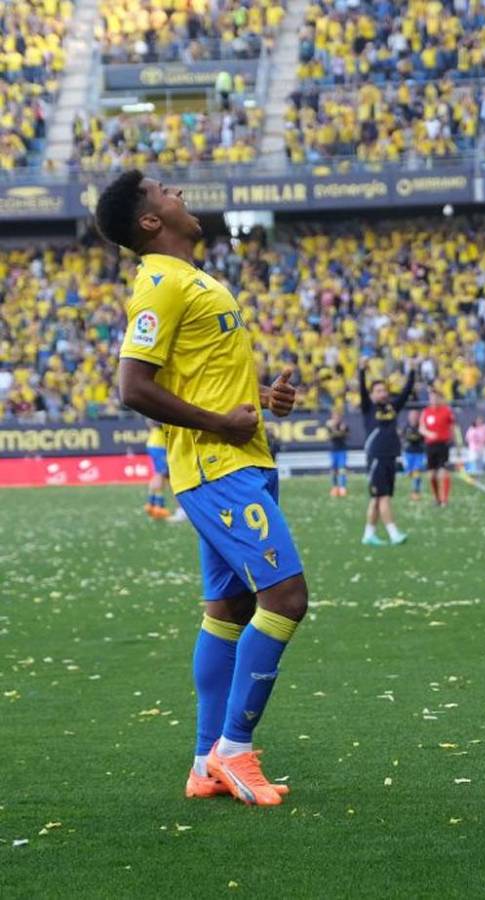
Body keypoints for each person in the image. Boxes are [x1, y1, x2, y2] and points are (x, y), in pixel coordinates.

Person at [97, 170, 307, 808]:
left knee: (229, 611)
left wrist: (260, 399)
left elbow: (200, 378)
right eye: (165, 191)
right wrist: (220, 422)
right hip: (218, 468)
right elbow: (132, 387)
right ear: (150, 222)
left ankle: (203, 761)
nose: (179, 193)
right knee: (286, 597)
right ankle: (235, 751)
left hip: (238, 459)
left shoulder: (195, 280)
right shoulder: (159, 283)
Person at [358, 360, 413, 546]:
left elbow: (406, 393)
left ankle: (368, 534)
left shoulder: (391, 408)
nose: (383, 393)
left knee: (377, 497)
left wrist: (412, 370)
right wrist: (361, 371)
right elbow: (362, 391)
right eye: (378, 391)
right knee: (383, 497)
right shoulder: (368, 408)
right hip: (377, 457)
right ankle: (393, 533)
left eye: (384, 390)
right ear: (372, 395)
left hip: (390, 456)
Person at [421, 389, 456, 506]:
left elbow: (453, 427)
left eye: (436, 397)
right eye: (431, 398)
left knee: (443, 472)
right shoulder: (426, 412)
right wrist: (428, 434)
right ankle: (437, 498)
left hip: (443, 445)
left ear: (440, 398)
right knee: (431, 475)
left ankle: (444, 500)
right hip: (430, 446)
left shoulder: (446, 411)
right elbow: (422, 428)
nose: (434, 400)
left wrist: (455, 442)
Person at [401, 409, 427, 501]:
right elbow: (402, 437)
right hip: (408, 453)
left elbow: (424, 437)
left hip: (419, 453)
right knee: (409, 472)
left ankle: (416, 491)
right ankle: (416, 487)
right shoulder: (406, 427)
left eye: (415, 416)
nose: (413, 418)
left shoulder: (422, 426)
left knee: (417, 471)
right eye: (412, 416)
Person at [328, 407, 349, 498]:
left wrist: (340, 431)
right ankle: (334, 487)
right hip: (333, 450)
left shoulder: (344, 425)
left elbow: (347, 435)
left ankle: (342, 487)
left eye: (337, 416)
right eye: (334, 416)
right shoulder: (330, 426)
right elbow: (331, 436)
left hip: (342, 450)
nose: (336, 418)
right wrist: (339, 431)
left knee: (342, 469)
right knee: (334, 470)